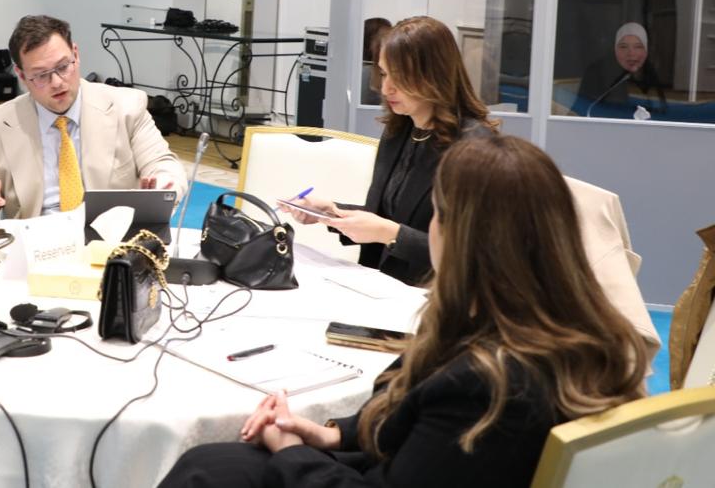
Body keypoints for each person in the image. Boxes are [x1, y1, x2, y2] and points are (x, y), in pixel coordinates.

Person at [158, 135, 648, 488]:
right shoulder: (582, 334)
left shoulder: (485, 384)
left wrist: (290, 451)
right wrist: (330, 434)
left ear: (461, 237)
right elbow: (412, 418)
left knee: (207, 470)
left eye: (437, 214)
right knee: (217, 466)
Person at [291, 16, 497, 286]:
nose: (385, 88)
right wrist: (332, 212)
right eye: (384, 73)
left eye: (399, 77)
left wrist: (390, 233)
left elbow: (469, 255)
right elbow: (390, 217)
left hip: (434, 296)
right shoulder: (399, 131)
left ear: (434, 75)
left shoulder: (474, 147)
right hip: (381, 286)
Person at [0, 14, 186, 222]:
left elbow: (164, 164)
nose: (57, 82)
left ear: (76, 55)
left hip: (110, 239)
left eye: (62, 67)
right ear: (21, 75)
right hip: (34, 241)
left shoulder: (126, 107)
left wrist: (163, 187)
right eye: (41, 75)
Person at [576, 21, 667, 118]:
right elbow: (584, 111)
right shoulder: (596, 73)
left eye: (638, 47)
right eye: (623, 47)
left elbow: (660, 108)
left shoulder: (649, 72)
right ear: (615, 50)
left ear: (646, 51)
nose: (631, 53)